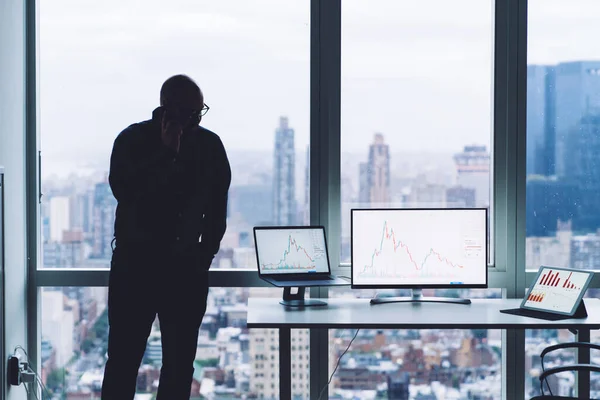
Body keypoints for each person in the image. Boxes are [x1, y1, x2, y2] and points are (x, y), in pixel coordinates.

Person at [101, 74, 231, 399]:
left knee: (179, 366)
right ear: (167, 108)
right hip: (136, 268)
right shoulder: (132, 141)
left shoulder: (209, 146)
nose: (198, 119)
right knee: (122, 362)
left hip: (185, 271)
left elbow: (217, 212)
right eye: (192, 112)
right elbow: (126, 192)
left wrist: (204, 258)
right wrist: (166, 153)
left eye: (201, 112)